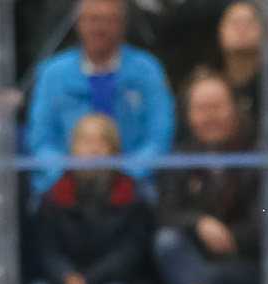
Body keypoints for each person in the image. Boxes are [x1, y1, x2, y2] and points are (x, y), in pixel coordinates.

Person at [24, 113, 153, 284]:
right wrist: (67, 277)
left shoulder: (132, 194)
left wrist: (88, 280)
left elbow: (128, 252)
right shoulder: (54, 194)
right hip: (62, 283)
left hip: (110, 282)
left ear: (113, 150)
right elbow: (47, 247)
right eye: (86, 141)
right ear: (74, 148)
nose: (93, 149)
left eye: (102, 142)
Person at [26, 0, 175, 196]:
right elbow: (40, 143)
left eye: (109, 19)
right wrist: (72, 173)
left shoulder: (148, 71)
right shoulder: (52, 73)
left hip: (135, 192)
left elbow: (159, 140)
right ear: (79, 23)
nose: (101, 27)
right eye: (94, 19)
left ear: (123, 25)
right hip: (64, 191)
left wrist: (124, 175)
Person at [154, 71, 260, 284]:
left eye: (216, 107)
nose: (209, 117)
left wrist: (229, 237)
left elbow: (266, 224)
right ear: (188, 116)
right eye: (201, 109)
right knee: (166, 242)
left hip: (244, 262)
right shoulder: (179, 159)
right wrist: (200, 223)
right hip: (195, 258)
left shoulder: (257, 155)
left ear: (234, 109)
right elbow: (166, 213)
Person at [213, 0, 261, 137]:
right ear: (220, 30)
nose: (242, 29)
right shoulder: (209, 86)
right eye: (234, 23)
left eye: (250, 22)